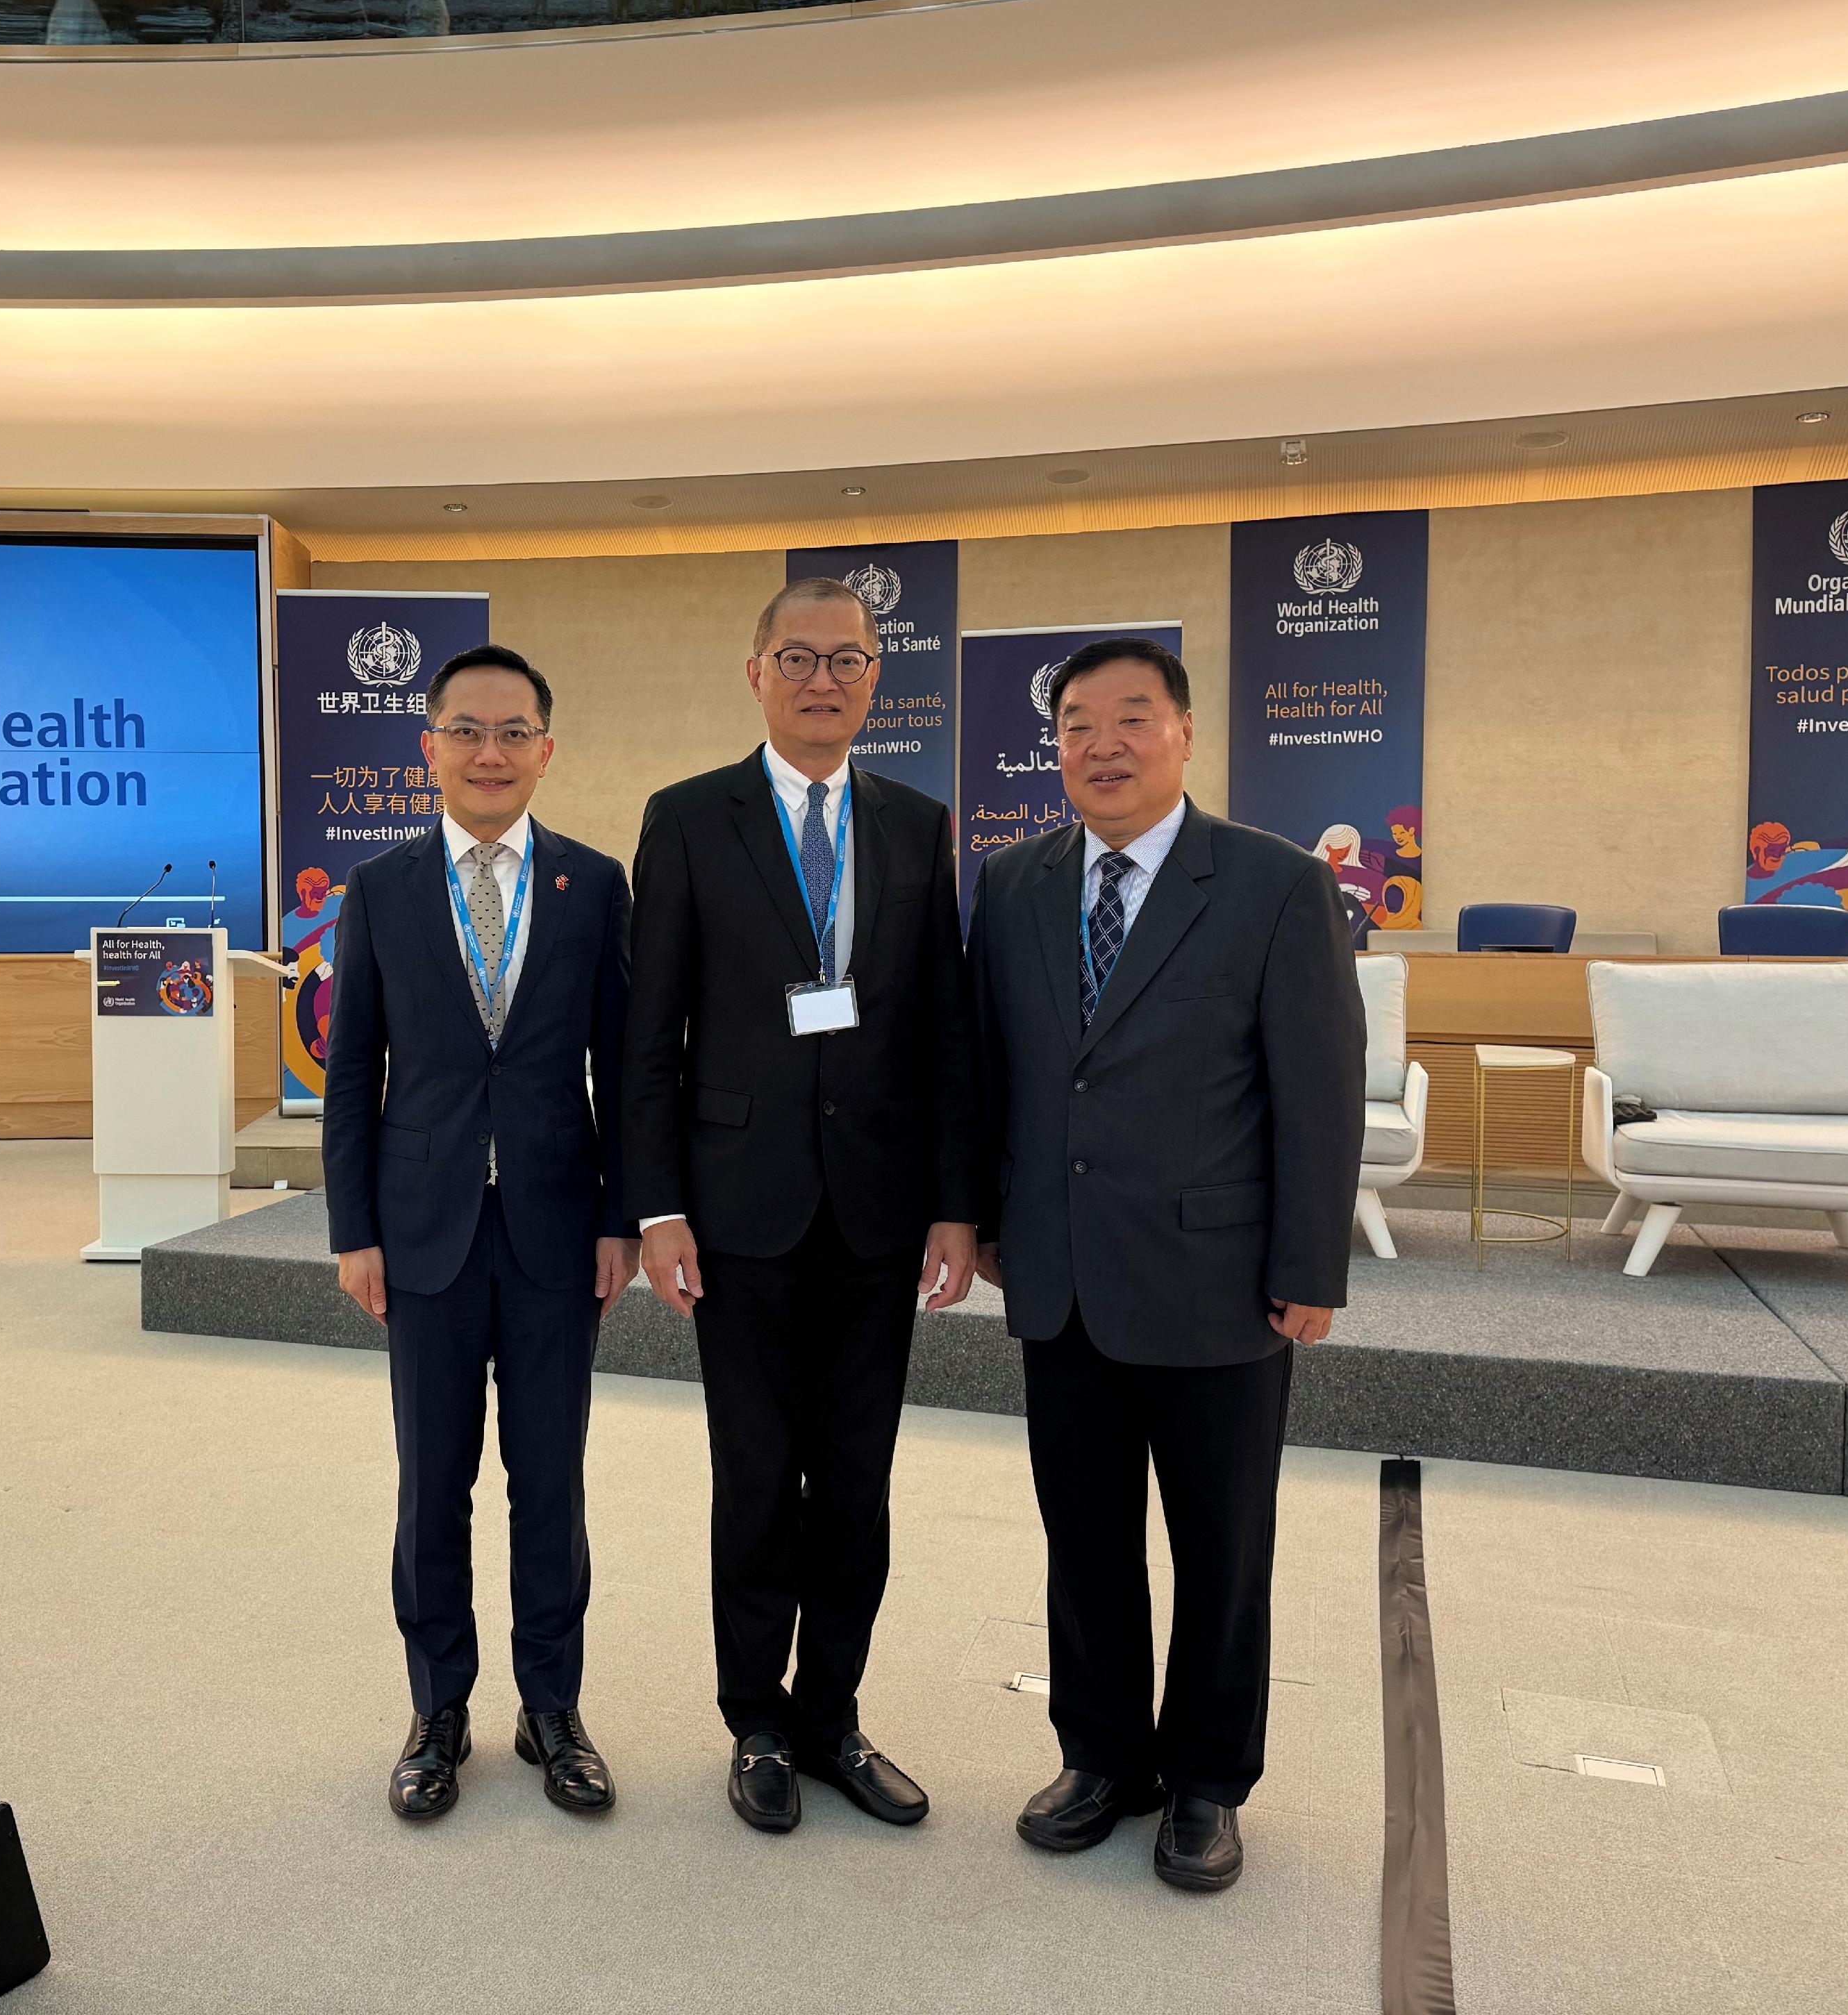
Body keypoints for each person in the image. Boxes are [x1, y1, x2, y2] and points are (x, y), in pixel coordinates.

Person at [966, 636, 1363, 1893]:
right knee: (1082, 1539)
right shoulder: (1014, 882)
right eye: (1078, 724)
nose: (1103, 745)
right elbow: (997, 1073)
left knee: (1221, 1547)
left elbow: (1320, 1088)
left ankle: (1205, 1783)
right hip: (1062, 1276)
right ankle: (1102, 1759)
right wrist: (980, 1217)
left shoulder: (1272, 885)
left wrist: (1313, 1264)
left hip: (1221, 1282)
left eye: (1133, 718)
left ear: (1186, 733)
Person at [623, 576, 981, 1834]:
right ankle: (757, 1723)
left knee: (860, 1482)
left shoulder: (917, 824)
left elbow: (943, 1027)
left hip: (880, 1216)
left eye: (849, 659)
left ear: (878, 677)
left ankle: (832, 1716)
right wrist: (656, 1203)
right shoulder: (685, 820)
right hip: (736, 1212)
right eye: (798, 656)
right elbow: (646, 1032)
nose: (823, 678)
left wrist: (956, 1204)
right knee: (757, 1479)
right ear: (757, 671)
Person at [322, 644, 639, 1825]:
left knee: (548, 1484)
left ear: (546, 751)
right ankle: (438, 1710)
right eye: (467, 730)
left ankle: (552, 1707)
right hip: (424, 1236)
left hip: (560, 1236)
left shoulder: (594, 884)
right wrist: (356, 1227)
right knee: (433, 1487)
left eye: (514, 732)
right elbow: (354, 1073)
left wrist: (621, 1215)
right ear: (431, 750)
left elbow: (626, 1069)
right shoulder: (383, 889)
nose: (490, 752)